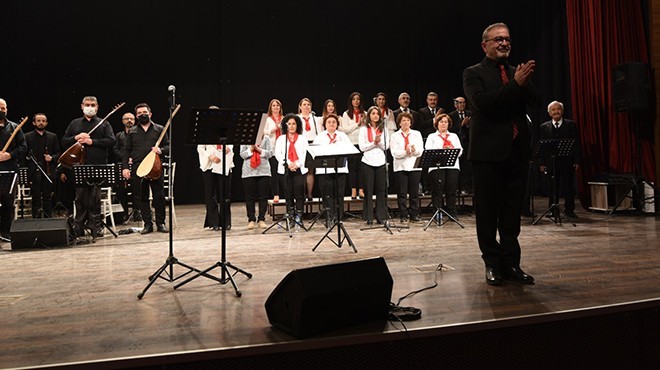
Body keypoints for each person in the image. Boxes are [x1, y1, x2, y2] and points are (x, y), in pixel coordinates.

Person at [463, 22, 539, 286]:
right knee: (487, 215)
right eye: (498, 39)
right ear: (485, 45)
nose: (504, 43)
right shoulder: (473, 73)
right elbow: (485, 105)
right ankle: (492, 265)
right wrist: (516, 85)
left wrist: (523, 83)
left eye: (507, 39)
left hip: (516, 154)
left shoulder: (516, 72)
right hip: (487, 155)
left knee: (511, 215)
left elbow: (537, 102)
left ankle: (512, 264)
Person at [62, 96, 116, 237]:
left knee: (95, 198)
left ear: (97, 107)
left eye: (93, 105)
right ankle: (78, 228)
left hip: (98, 165)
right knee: (80, 198)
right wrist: (76, 137)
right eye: (87, 104)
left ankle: (95, 227)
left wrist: (92, 142)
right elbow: (64, 141)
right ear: (82, 106)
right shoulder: (74, 124)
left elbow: (111, 140)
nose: (90, 107)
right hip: (79, 166)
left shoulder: (104, 124)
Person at [121, 103, 169, 234]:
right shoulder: (132, 132)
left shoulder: (160, 129)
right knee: (142, 197)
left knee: (159, 196)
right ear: (136, 116)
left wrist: (161, 150)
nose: (143, 114)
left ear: (150, 114)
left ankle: (161, 223)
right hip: (139, 168)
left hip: (155, 167)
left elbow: (168, 146)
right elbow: (126, 151)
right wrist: (125, 167)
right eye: (140, 113)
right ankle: (147, 224)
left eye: (145, 112)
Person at [539, 100, 581, 219]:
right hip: (551, 162)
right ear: (549, 112)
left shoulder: (571, 125)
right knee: (552, 186)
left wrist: (576, 160)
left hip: (567, 161)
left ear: (562, 111)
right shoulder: (544, 127)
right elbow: (542, 146)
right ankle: (553, 210)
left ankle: (569, 210)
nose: (556, 111)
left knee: (568, 186)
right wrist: (542, 163)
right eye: (553, 110)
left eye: (558, 109)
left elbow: (576, 143)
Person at [312, 113, 350, 225]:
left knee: (339, 194)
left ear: (337, 124)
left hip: (340, 169)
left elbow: (348, 149)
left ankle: (339, 217)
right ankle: (329, 217)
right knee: (327, 194)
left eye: (334, 122)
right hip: (324, 170)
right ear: (325, 124)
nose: (331, 124)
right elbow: (315, 152)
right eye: (329, 122)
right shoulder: (320, 137)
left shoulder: (342, 136)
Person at [424, 114, 463, 219]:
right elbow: (428, 150)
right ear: (437, 124)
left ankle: (452, 212)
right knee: (438, 189)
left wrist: (451, 151)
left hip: (452, 166)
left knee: (451, 190)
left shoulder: (453, 136)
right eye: (441, 122)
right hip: (437, 167)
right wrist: (443, 152)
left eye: (446, 122)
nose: (443, 124)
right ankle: (437, 211)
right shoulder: (432, 136)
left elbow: (460, 150)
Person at [0, 99, 28, 241]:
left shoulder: (14, 127)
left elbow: (23, 148)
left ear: (6, 110)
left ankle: (6, 232)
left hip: (9, 170)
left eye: (3, 108)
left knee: (8, 202)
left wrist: (9, 155)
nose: (1, 110)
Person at [275, 113, 308, 225]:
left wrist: (297, 164)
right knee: (288, 194)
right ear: (286, 125)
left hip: (299, 169)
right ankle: (291, 215)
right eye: (289, 124)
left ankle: (299, 216)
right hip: (285, 169)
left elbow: (305, 154)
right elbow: (278, 154)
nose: (292, 126)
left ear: (297, 125)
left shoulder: (303, 139)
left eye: (294, 123)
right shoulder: (281, 139)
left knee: (299, 194)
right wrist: (289, 164)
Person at [24, 113, 60, 218]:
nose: (41, 123)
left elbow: (58, 153)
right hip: (33, 172)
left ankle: (48, 219)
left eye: (43, 121)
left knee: (47, 197)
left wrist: (52, 158)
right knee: (35, 197)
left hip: (48, 171)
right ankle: (36, 220)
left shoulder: (52, 136)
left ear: (46, 123)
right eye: (39, 121)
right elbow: (24, 154)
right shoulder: (27, 137)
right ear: (34, 123)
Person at [390, 112, 423, 222]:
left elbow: (420, 151)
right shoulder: (394, 136)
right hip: (400, 167)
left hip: (414, 166)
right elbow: (394, 152)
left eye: (408, 120)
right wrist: (405, 152)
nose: (406, 122)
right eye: (403, 120)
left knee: (414, 193)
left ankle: (414, 214)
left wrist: (414, 151)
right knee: (402, 193)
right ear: (399, 123)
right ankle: (403, 215)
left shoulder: (416, 134)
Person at [359, 106, 389, 225]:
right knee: (369, 190)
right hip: (367, 161)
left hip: (380, 161)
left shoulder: (384, 129)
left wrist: (379, 142)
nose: (375, 115)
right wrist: (374, 143)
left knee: (381, 190)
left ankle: (381, 216)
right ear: (369, 116)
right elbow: (362, 147)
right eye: (373, 113)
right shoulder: (363, 129)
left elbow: (386, 147)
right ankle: (369, 216)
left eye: (377, 114)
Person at [197, 142, 234, 231]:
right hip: (210, 164)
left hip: (224, 163)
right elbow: (200, 148)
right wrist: (209, 156)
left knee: (225, 194)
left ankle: (226, 222)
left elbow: (231, 142)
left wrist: (229, 147)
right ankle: (214, 222)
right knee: (210, 194)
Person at [240, 136, 272, 230]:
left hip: (264, 171)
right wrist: (251, 149)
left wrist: (258, 149)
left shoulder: (266, 138)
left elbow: (270, 153)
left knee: (263, 196)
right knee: (250, 197)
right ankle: (251, 219)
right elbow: (242, 154)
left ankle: (261, 219)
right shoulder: (245, 139)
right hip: (248, 172)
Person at [113, 112, 140, 223]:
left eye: (131, 119)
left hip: (136, 164)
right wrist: (125, 158)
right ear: (123, 121)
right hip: (122, 165)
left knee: (137, 189)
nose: (129, 120)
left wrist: (133, 158)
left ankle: (137, 212)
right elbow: (115, 149)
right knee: (121, 191)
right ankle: (124, 213)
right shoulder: (119, 135)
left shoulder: (139, 134)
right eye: (126, 119)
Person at [340, 92, 365, 199]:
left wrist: (362, 124)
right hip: (351, 144)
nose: (356, 101)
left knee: (361, 168)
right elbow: (345, 129)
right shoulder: (346, 114)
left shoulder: (365, 113)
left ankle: (361, 190)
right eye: (354, 99)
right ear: (351, 101)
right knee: (352, 168)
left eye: (358, 99)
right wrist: (357, 124)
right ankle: (353, 190)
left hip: (362, 143)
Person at [447, 97, 473, 194]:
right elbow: (450, 129)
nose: (462, 105)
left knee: (467, 166)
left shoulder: (470, 114)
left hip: (468, 143)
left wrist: (468, 125)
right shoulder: (451, 115)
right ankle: (458, 187)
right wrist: (462, 125)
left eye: (463, 103)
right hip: (457, 143)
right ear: (455, 105)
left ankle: (467, 187)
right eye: (459, 103)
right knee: (459, 166)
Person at [298, 98, 321, 201]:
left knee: (310, 170)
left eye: (308, 104)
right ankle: (301, 194)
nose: (306, 106)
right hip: (300, 145)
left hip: (312, 145)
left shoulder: (316, 119)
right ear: (300, 107)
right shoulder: (297, 118)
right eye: (304, 104)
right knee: (301, 170)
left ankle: (310, 194)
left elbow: (319, 133)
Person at [263, 99, 283, 204]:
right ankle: (276, 193)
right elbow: (262, 131)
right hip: (272, 148)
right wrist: (273, 129)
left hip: (282, 148)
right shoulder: (266, 119)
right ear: (270, 108)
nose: (276, 107)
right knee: (274, 172)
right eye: (273, 105)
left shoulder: (284, 119)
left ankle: (285, 193)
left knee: (283, 173)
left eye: (277, 105)